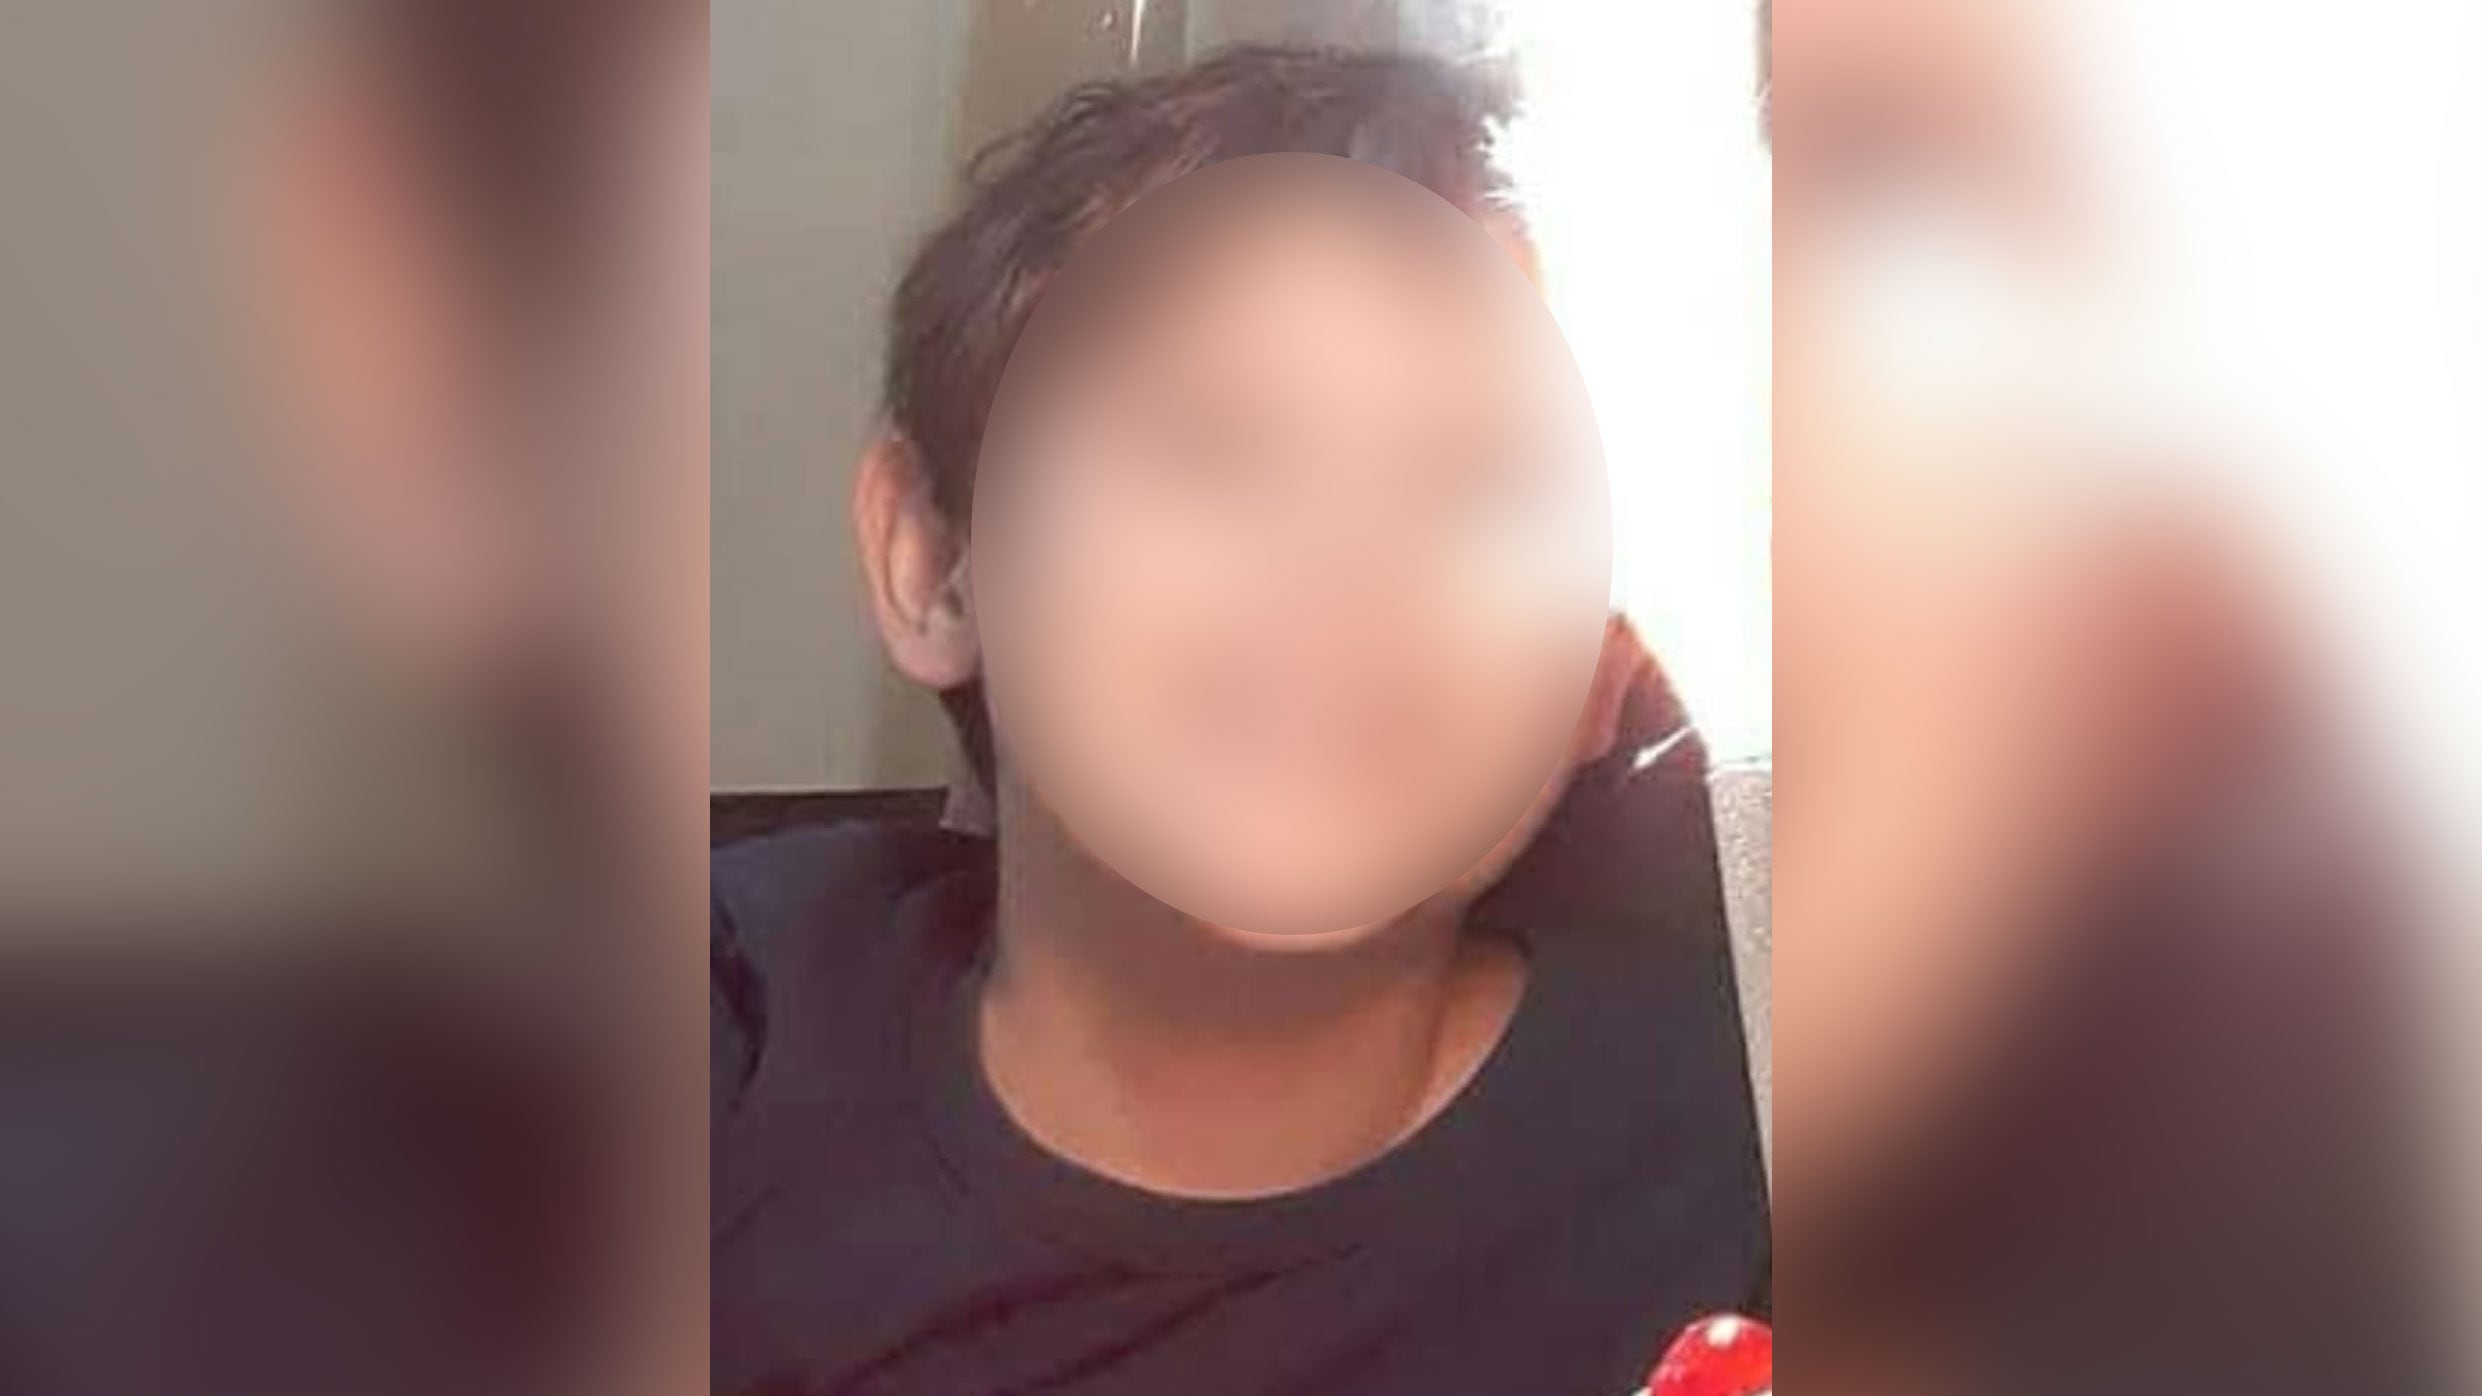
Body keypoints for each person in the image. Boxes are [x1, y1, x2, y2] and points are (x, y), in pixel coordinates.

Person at [710, 45, 1767, 1396]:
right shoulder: (721, 1041)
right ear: (936, 560)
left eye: (1486, 475)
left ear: (1611, 662)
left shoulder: (1761, 1135)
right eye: (1214, 443)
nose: (1347, 560)